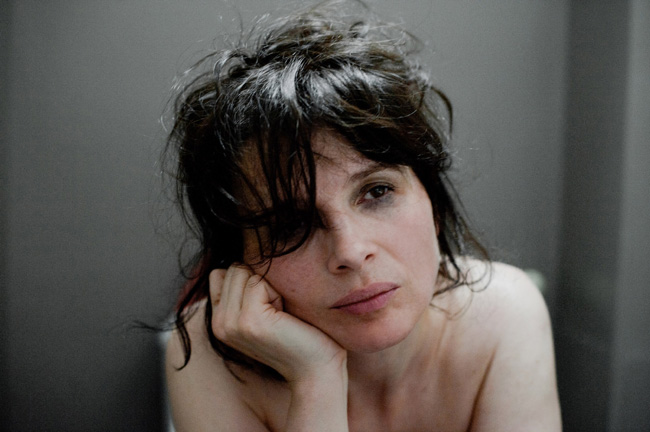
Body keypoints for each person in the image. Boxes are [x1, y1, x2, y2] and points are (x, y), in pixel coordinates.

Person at [164, 2, 561, 430]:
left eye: (377, 192)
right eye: (292, 225)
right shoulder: (204, 355)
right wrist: (315, 380)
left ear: (433, 200)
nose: (351, 252)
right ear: (242, 259)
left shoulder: (504, 315)